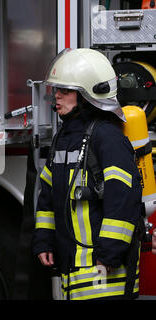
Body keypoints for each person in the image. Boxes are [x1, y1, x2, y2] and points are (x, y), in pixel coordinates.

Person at [33, 48, 143, 300]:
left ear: (87, 96)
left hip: (105, 276)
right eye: (56, 90)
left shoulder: (108, 137)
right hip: (74, 274)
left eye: (65, 90)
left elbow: (123, 199)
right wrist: (44, 240)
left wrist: (110, 253)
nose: (56, 97)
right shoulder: (64, 138)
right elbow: (48, 196)